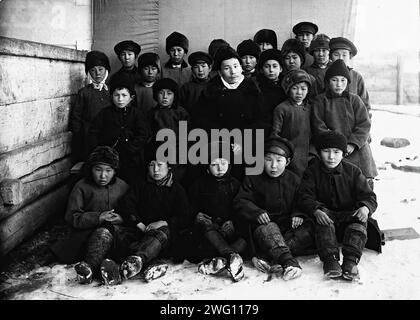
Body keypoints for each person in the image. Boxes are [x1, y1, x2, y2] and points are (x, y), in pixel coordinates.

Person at [296, 131, 381, 280]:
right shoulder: (312, 171)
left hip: (348, 217)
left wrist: (365, 207)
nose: (331, 157)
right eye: (326, 151)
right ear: (319, 152)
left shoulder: (353, 171)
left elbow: (369, 196)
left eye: (336, 152)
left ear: (343, 153)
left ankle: (350, 262)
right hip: (326, 218)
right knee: (323, 222)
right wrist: (316, 210)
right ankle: (331, 260)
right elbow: (304, 196)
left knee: (359, 222)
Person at [234, 136, 315, 281]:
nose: (273, 166)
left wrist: (298, 214)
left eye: (279, 161)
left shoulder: (294, 179)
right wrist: (256, 212)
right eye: (268, 159)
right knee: (268, 229)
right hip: (264, 226)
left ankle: (267, 255)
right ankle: (288, 262)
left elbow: (303, 200)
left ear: (288, 161)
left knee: (309, 228)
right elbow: (241, 200)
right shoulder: (253, 177)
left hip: (287, 228)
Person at [51, 146, 129, 285]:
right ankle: (92, 268)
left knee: (114, 239)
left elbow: (132, 212)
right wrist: (98, 217)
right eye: (98, 170)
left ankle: (100, 266)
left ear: (115, 171)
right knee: (101, 234)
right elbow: (72, 216)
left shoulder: (123, 186)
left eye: (108, 171)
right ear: (90, 169)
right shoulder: (81, 187)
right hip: (87, 236)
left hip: (117, 235)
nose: (103, 175)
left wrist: (122, 218)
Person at [117, 143, 192, 282]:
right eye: (151, 165)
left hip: (166, 236)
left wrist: (164, 222)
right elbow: (126, 205)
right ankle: (147, 262)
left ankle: (138, 260)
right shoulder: (140, 184)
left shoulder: (176, 189)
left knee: (162, 234)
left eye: (160, 165)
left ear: (169, 167)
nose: (155, 170)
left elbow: (184, 216)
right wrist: (139, 223)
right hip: (142, 231)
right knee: (118, 234)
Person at [191, 46, 264, 180]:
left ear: (241, 67)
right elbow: (201, 120)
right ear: (219, 72)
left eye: (236, 66)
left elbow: (261, 121)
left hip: (247, 144)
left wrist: (243, 142)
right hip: (218, 144)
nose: (233, 71)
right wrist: (223, 142)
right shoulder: (210, 91)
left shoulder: (253, 90)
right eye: (227, 68)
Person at [311, 59, 377, 188]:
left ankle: (365, 202)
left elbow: (364, 124)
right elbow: (318, 125)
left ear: (347, 82)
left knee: (364, 178)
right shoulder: (320, 101)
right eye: (334, 80)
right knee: (339, 179)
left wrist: (353, 143)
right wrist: (337, 145)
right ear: (328, 82)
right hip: (332, 147)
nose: (339, 84)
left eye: (343, 80)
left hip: (356, 147)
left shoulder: (355, 100)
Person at [189, 141, 246, 282]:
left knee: (245, 240)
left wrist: (233, 221)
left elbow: (241, 208)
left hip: (229, 230)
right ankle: (231, 256)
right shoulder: (198, 185)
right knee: (204, 234)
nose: (220, 168)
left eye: (223, 163)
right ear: (207, 168)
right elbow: (189, 206)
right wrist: (196, 215)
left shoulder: (235, 184)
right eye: (214, 164)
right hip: (209, 231)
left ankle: (220, 260)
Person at [90, 73, 150, 185]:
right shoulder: (104, 113)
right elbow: (94, 132)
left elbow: (143, 134)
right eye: (116, 95)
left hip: (131, 159)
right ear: (111, 96)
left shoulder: (137, 114)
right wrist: (102, 151)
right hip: (108, 159)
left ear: (131, 97)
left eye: (124, 95)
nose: (120, 99)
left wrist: (131, 148)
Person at [70, 51, 112, 161]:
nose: (97, 73)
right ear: (88, 73)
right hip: (88, 136)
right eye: (93, 70)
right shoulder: (84, 92)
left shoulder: (112, 92)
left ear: (106, 70)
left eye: (101, 69)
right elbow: (76, 117)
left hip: (108, 133)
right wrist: (79, 136)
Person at [272, 69, 313, 178]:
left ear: (308, 90)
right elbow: (275, 135)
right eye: (294, 88)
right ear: (288, 90)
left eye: (303, 89)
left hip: (308, 155)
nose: (299, 93)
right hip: (289, 156)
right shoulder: (281, 109)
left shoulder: (311, 108)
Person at [147, 78, 189, 182]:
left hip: (177, 157)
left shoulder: (181, 113)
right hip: (157, 156)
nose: (165, 97)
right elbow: (148, 137)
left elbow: (185, 139)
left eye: (169, 93)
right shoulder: (151, 114)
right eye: (161, 93)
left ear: (174, 95)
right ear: (156, 95)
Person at [329, 37, 371, 116]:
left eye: (344, 55)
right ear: (330, 57)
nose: (340, 58)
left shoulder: (356, 77)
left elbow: (365, 105)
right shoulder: (325, 76)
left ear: (350, 56)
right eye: (336, 55)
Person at [255, 48, 287, 137]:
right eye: (267, 66)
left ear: (281, 69)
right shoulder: (256, 88)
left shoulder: (286, 87)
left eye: (275, 66)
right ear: (261, 69)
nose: (271, 70)